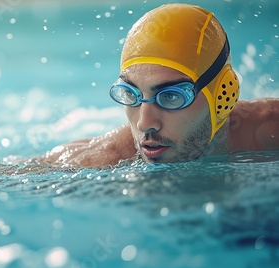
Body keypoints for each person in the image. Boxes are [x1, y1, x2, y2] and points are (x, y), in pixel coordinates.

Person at [34, 3, 279, 167]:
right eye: (132, 94)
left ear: (223, 95)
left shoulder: (269, 131)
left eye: (171, 96)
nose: (144, 123)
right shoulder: (103, 158)